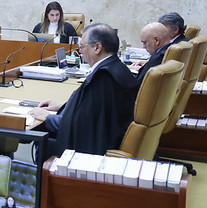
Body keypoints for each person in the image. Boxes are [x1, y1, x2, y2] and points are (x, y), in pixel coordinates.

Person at [28, 23, 139, 157]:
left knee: (38, 136)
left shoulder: (103, 78)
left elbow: (81, 126)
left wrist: (48, 117)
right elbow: (92, 111)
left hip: (89, 153)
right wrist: (62, 107)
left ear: (97, 48)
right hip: (111, 137)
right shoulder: (116, 67)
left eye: (82, 47)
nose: (80, 51)